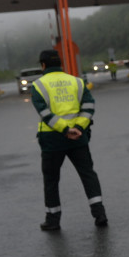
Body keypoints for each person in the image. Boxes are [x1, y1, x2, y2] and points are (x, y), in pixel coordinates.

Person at [31, 49, 107, 231]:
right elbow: (89, 106)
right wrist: (78, 128)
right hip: (78, 139)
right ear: (60, 64)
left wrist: (65, 129)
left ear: (43, 65)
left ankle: (53, 220)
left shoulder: (39, 85)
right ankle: (100, 214)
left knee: (51, 180)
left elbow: (45, 113)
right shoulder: (77, 82)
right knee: (88, 174)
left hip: (52, 140)